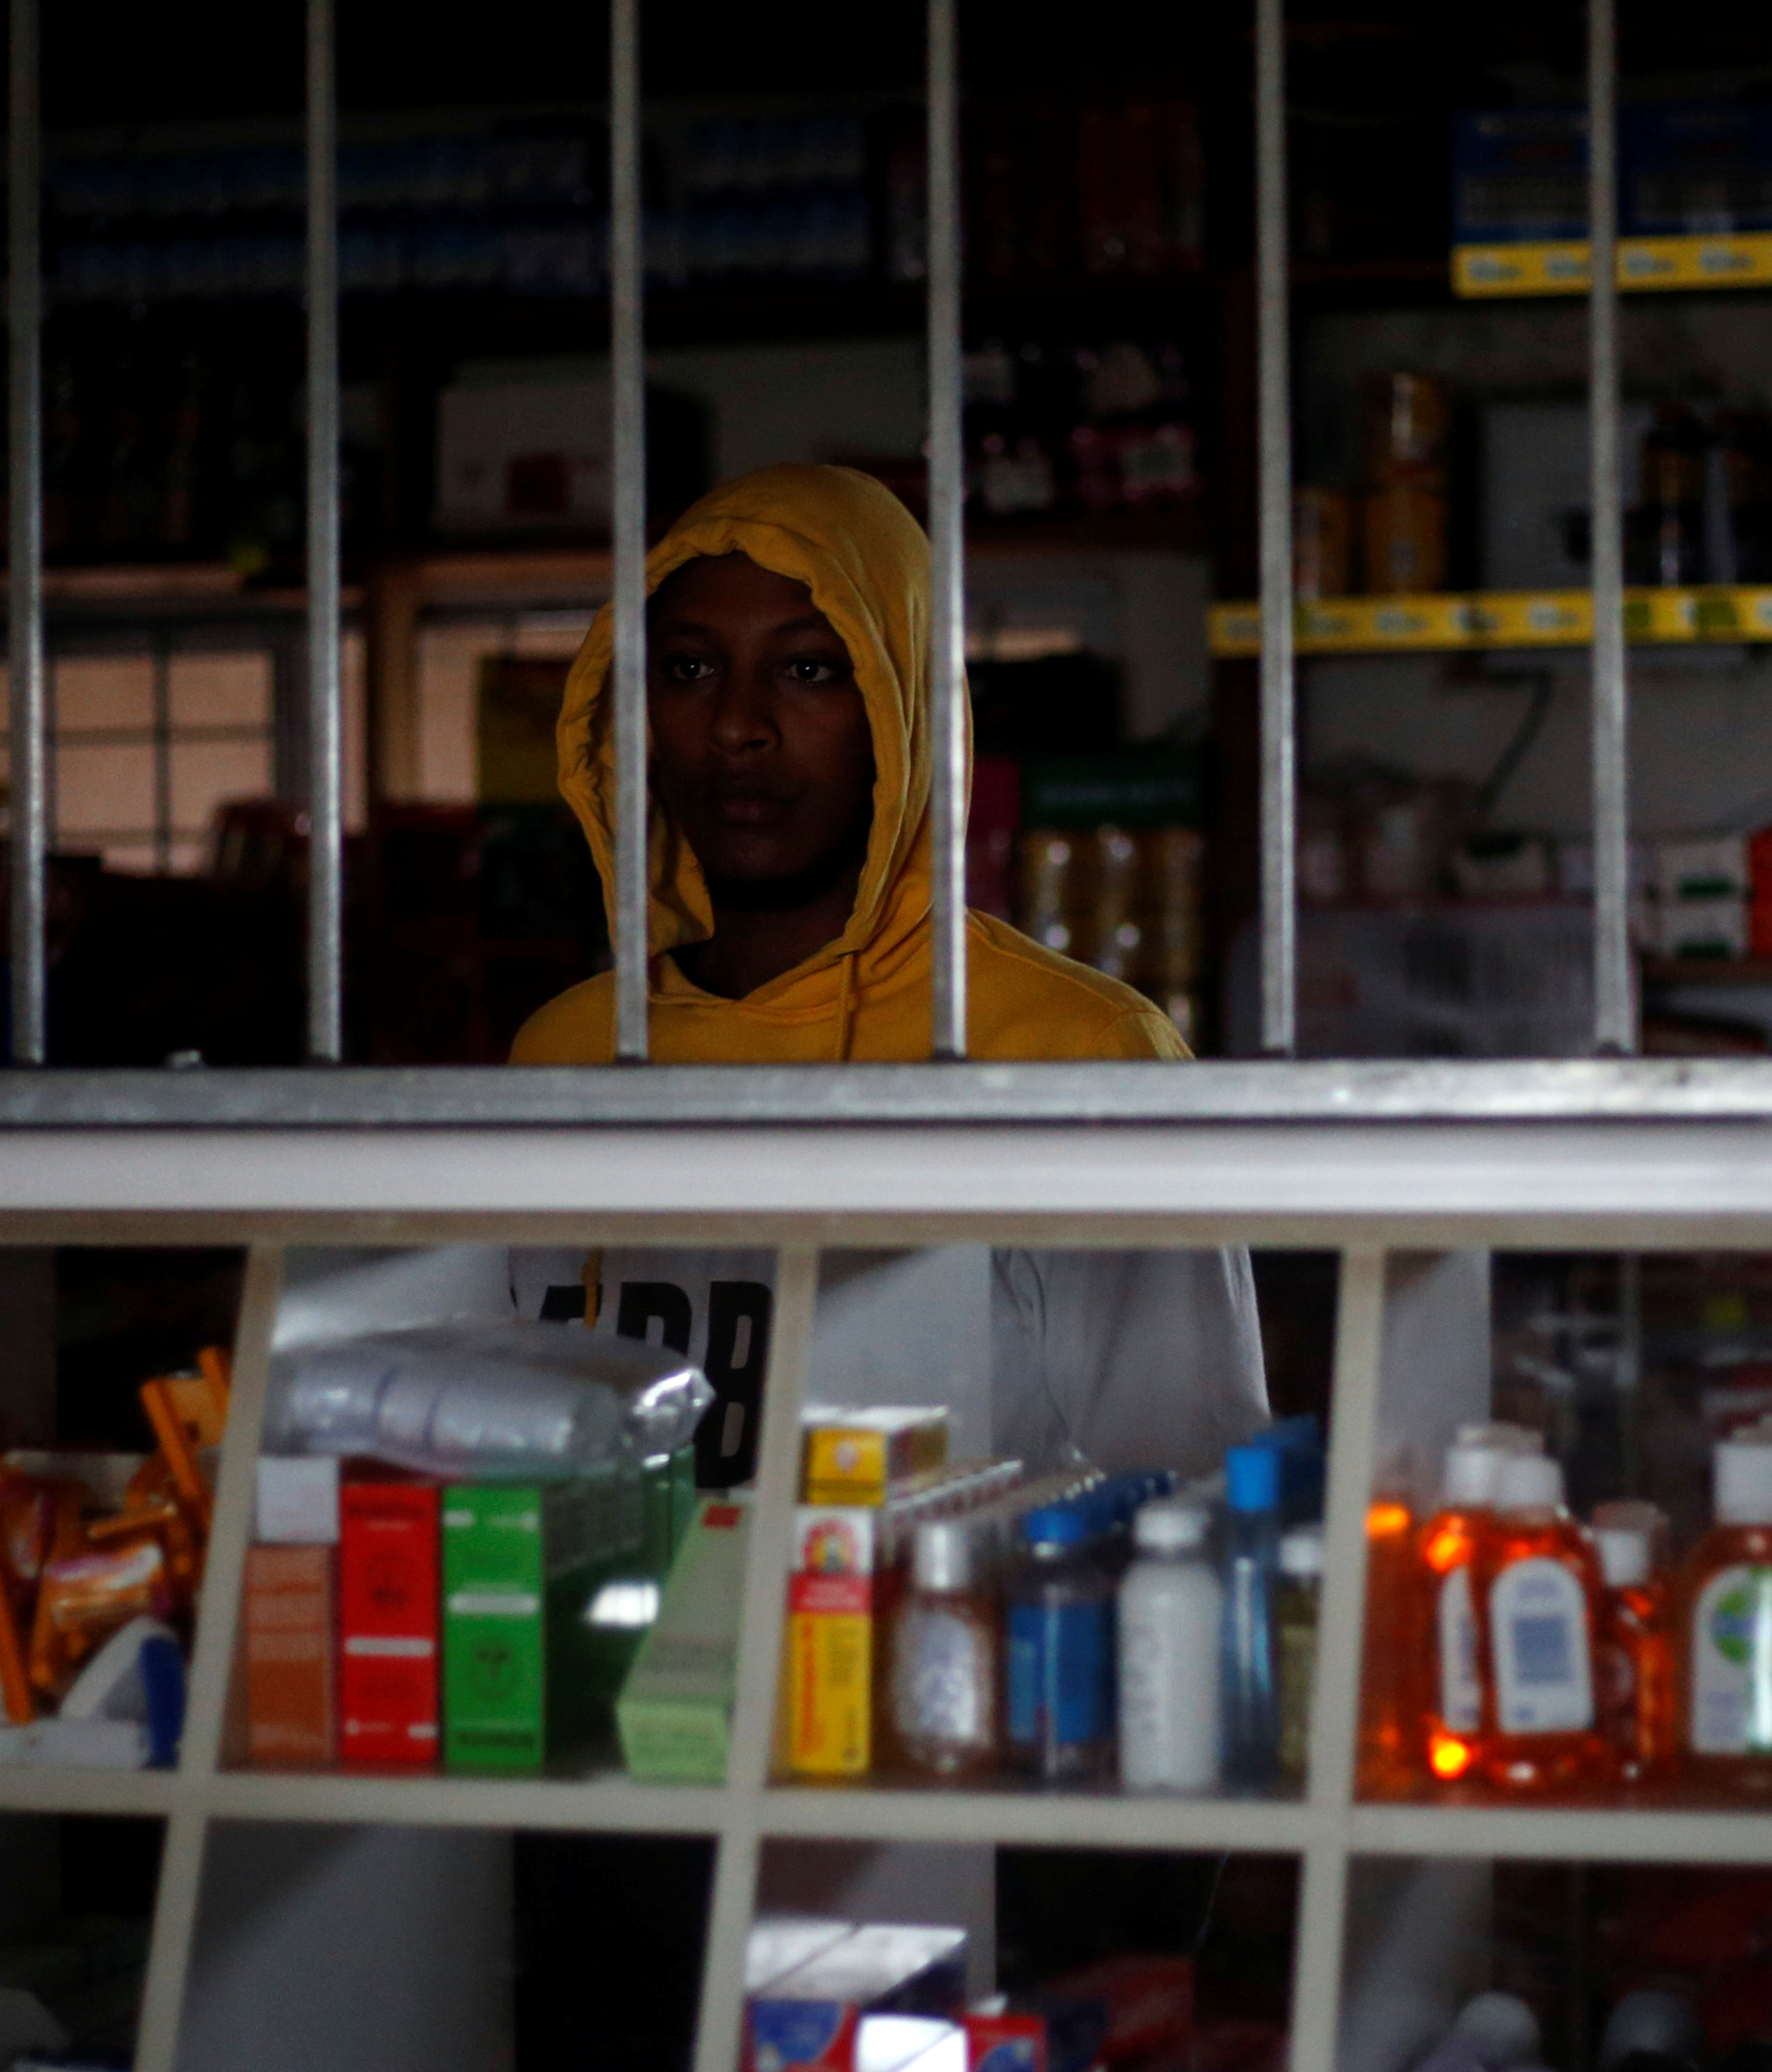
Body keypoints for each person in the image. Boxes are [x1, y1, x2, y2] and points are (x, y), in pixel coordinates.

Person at [501, 463, 1267, 1480]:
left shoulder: (1072, 1052)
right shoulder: (566, 1052)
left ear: (906, 707)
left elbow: (1190, 1497)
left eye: (810, 668)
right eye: (687, 669)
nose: (737, 724)